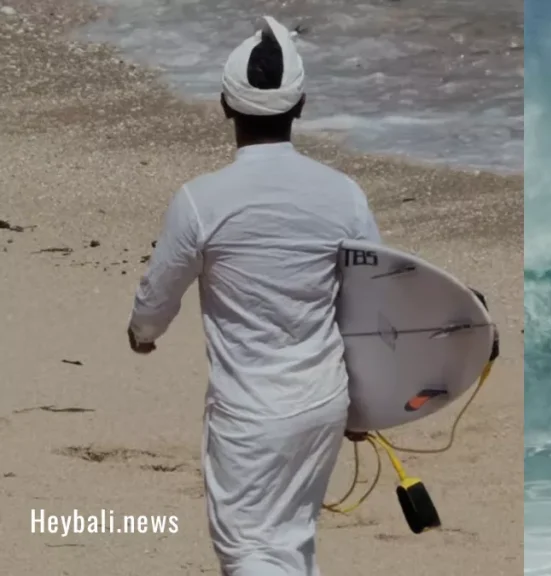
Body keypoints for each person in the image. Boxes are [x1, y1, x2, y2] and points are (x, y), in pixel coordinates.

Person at [126, 16, 380, 575]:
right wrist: (365, 404)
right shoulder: (345, 196)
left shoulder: (202, 201)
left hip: (249, 411)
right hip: (323, 401)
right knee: (291, 539)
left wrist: (143, 334)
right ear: (301, 105)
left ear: (224, 105)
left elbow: (159, 292)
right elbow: (371, 301)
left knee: (248, 550)